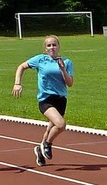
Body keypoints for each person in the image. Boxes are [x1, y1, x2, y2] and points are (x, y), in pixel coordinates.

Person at [12, 35, 74, 166]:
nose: (52, 47)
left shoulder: (67, 62)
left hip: (61, 99)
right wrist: (17, 83)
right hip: (46, 99)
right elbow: (21, 67)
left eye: (54, 45)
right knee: (61, 124)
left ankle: (39, 151)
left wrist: (63, 68)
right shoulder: (40, 59)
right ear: (45, 49)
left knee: (51, 128)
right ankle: (47, 144)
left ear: (59, 47)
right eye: (49, 45)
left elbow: (69, 83)